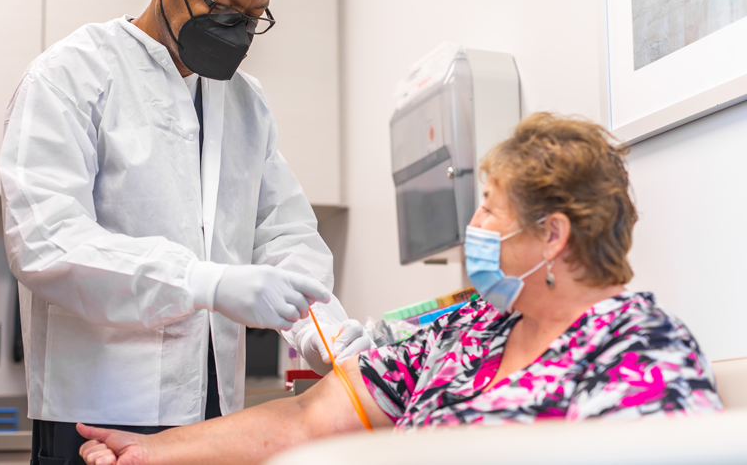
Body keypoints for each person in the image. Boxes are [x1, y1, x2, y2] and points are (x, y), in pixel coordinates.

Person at [77, 113, 722, 465]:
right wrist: (153, 452)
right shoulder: (468, 333)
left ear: (552, 235)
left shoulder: (642, 352)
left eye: (489, 209)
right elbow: (310, 421)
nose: (472, 228)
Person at [0, 0, 372, 463]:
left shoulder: (245, 102)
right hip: (96, 410)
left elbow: (282, 232)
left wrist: (323, 328)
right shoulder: (70, 75)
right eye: (220, 6)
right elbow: (46, 240)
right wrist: (204, 282)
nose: (236, 31)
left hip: (215, 412)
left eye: (252, 16)